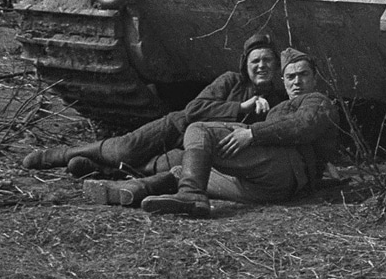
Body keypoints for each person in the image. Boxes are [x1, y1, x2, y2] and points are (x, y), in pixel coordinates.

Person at [20, 34, 286, 205]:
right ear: (246, 65)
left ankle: (100, 171)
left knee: (158, 169)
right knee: (124, 149)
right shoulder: (230, 81)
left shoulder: (278, 99)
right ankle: (61, 154)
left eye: (267, 61)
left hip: (198, 148)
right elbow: (196, 109)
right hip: (178, 125)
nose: (261, 66)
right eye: (255, 61)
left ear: (276, 67)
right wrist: (240, 107)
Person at [140, 47, 339, 219]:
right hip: (273, 189)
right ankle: (132, 190)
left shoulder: (316, 100)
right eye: (290, 77)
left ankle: (190, 195)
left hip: (287, 169)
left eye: (303, 75)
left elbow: (303, 125)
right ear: (283, 81)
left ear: (314, 78)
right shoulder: (281, 106)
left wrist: (251, 133)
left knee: (199, 130)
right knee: (185, 171)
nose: (297, 82)